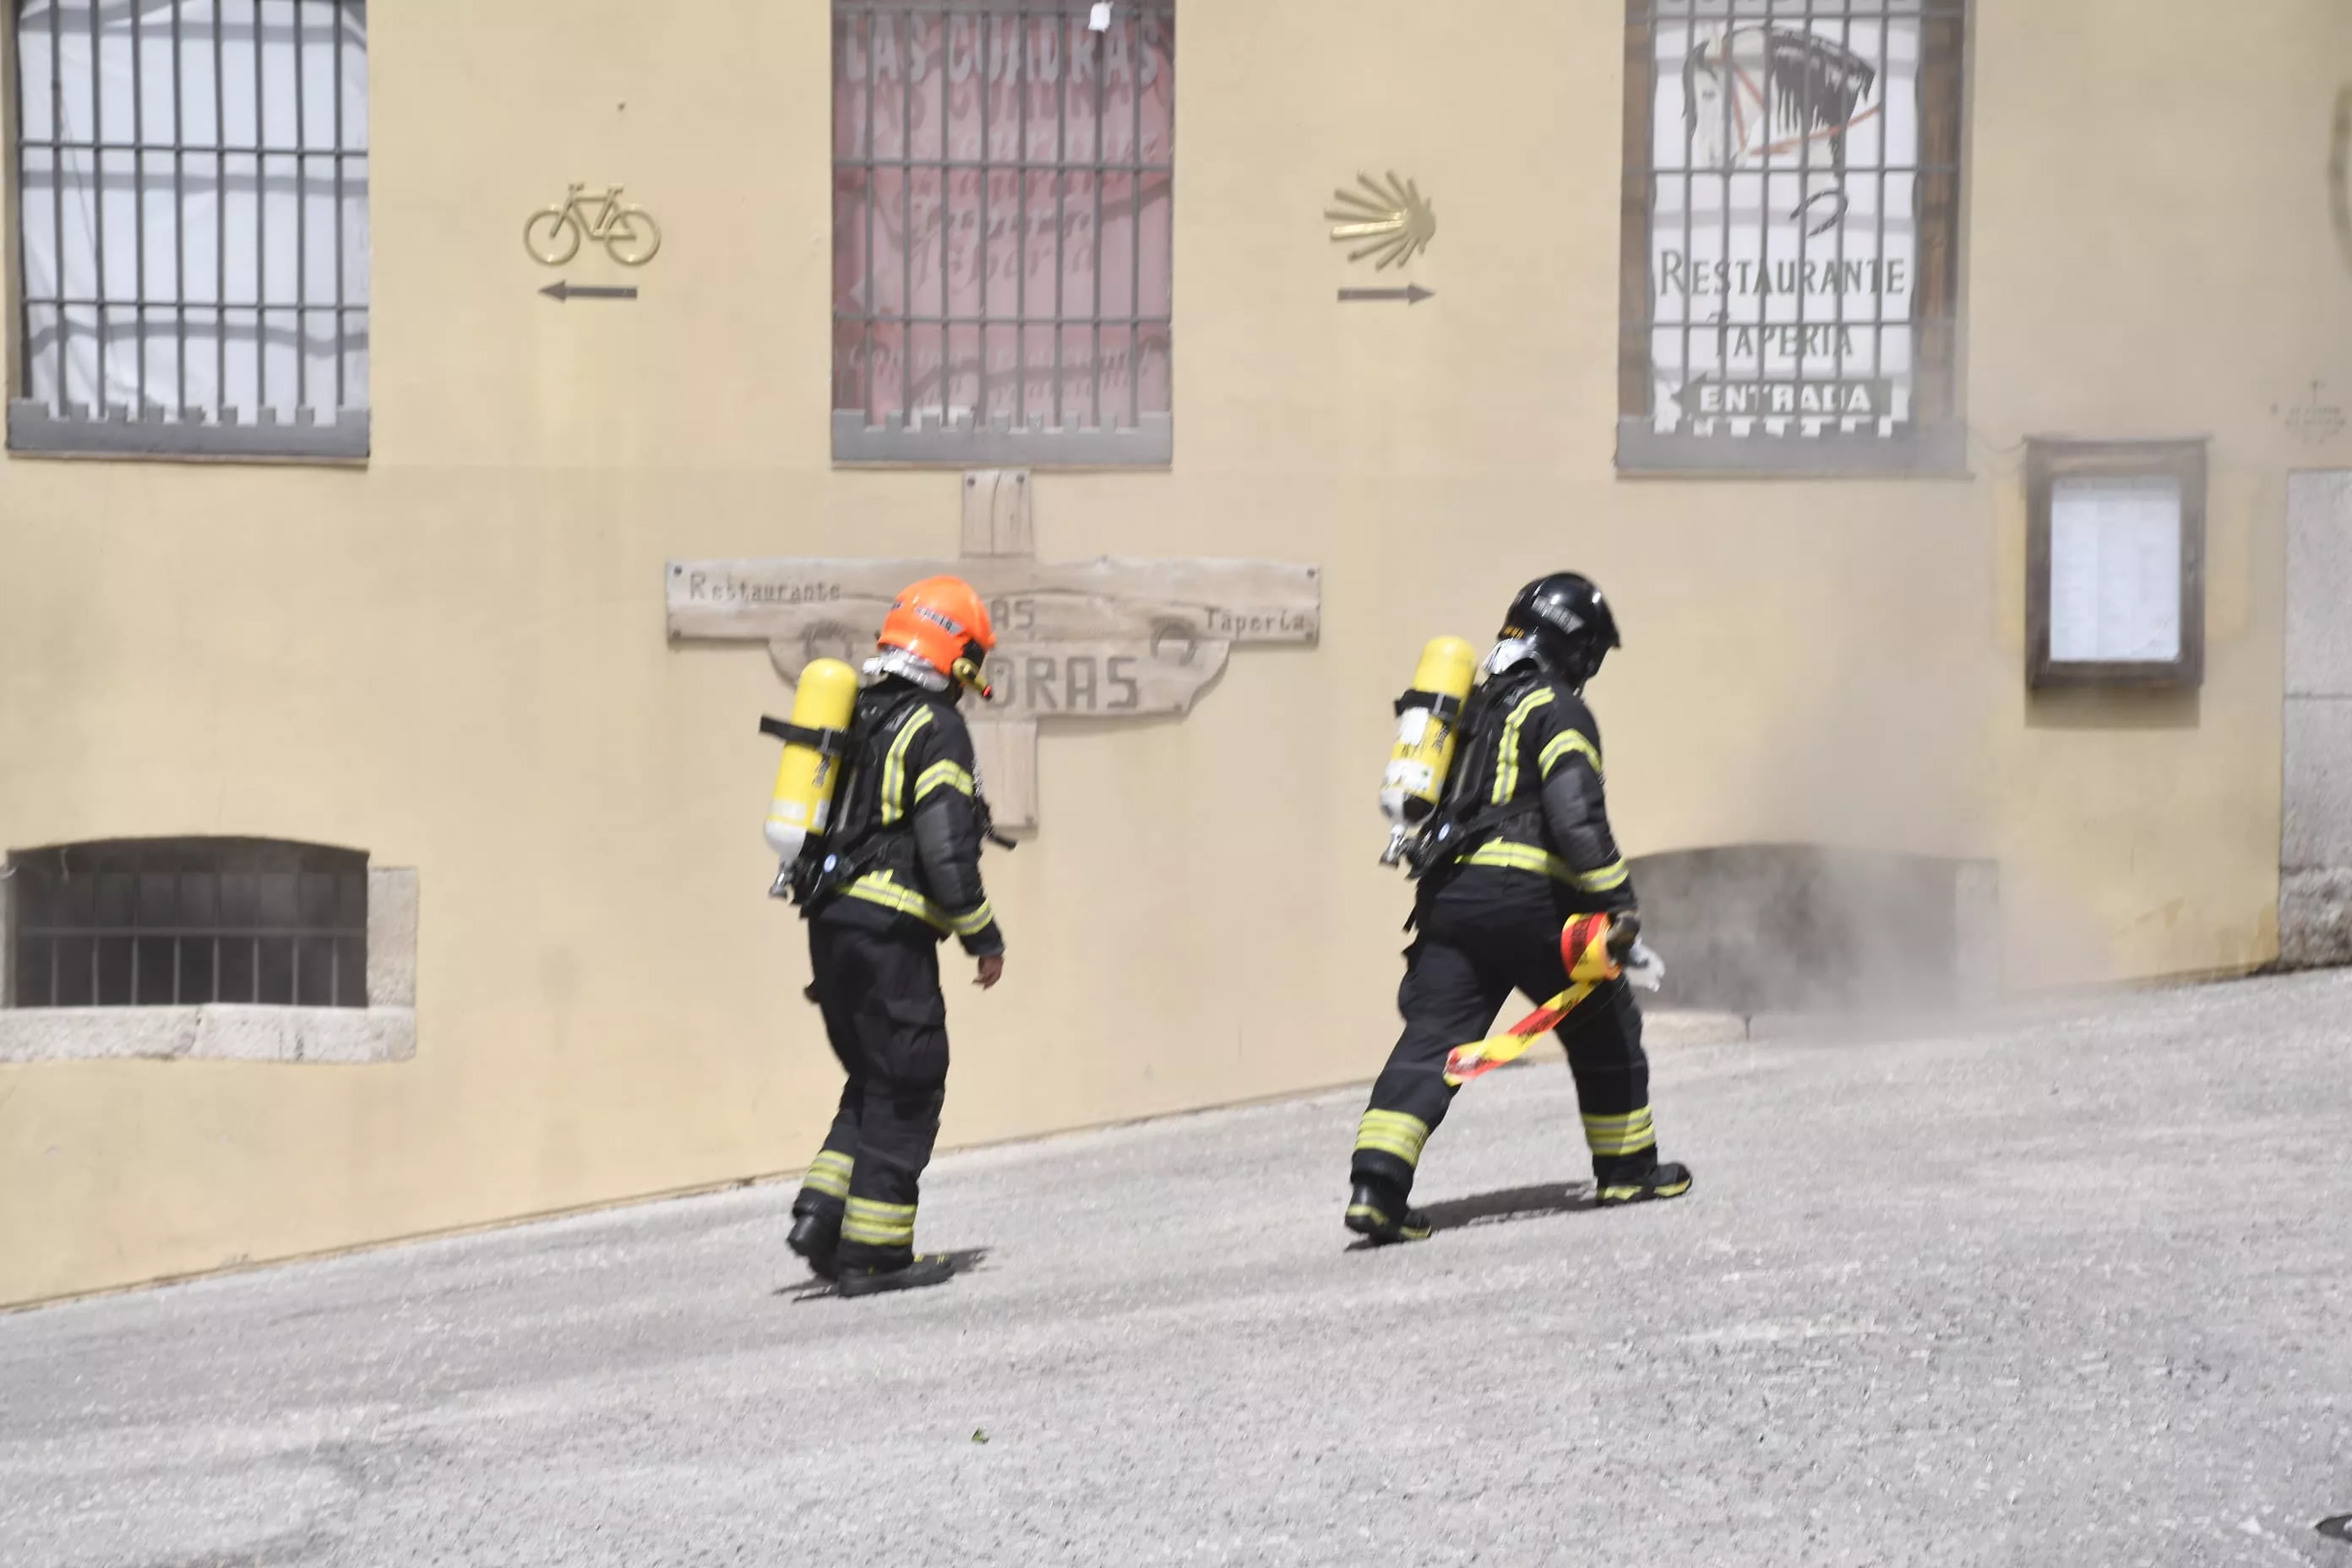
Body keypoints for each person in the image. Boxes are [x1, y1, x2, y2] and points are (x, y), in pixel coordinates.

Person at [1347, 573, 1691, 1243]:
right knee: (1604, 1022)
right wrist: (1618, 903)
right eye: (1590, 651)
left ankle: (1375, 1188)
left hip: (1449, 904)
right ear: (1571, 645)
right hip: (1530, 901)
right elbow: (1576, 817)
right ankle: (1627, 1170)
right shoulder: (1557, 708)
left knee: (1429, 1042)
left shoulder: (1473, 710)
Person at [783, 576, 1007, 1297]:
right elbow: (946, 850)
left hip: (828, 923)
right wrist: (984, 937)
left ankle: (823, 1219)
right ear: (957, 650)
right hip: (888, 929)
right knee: (909, 1082)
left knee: (874, 1077)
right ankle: (875, 1254)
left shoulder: (860, 711)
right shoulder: (934, 725)